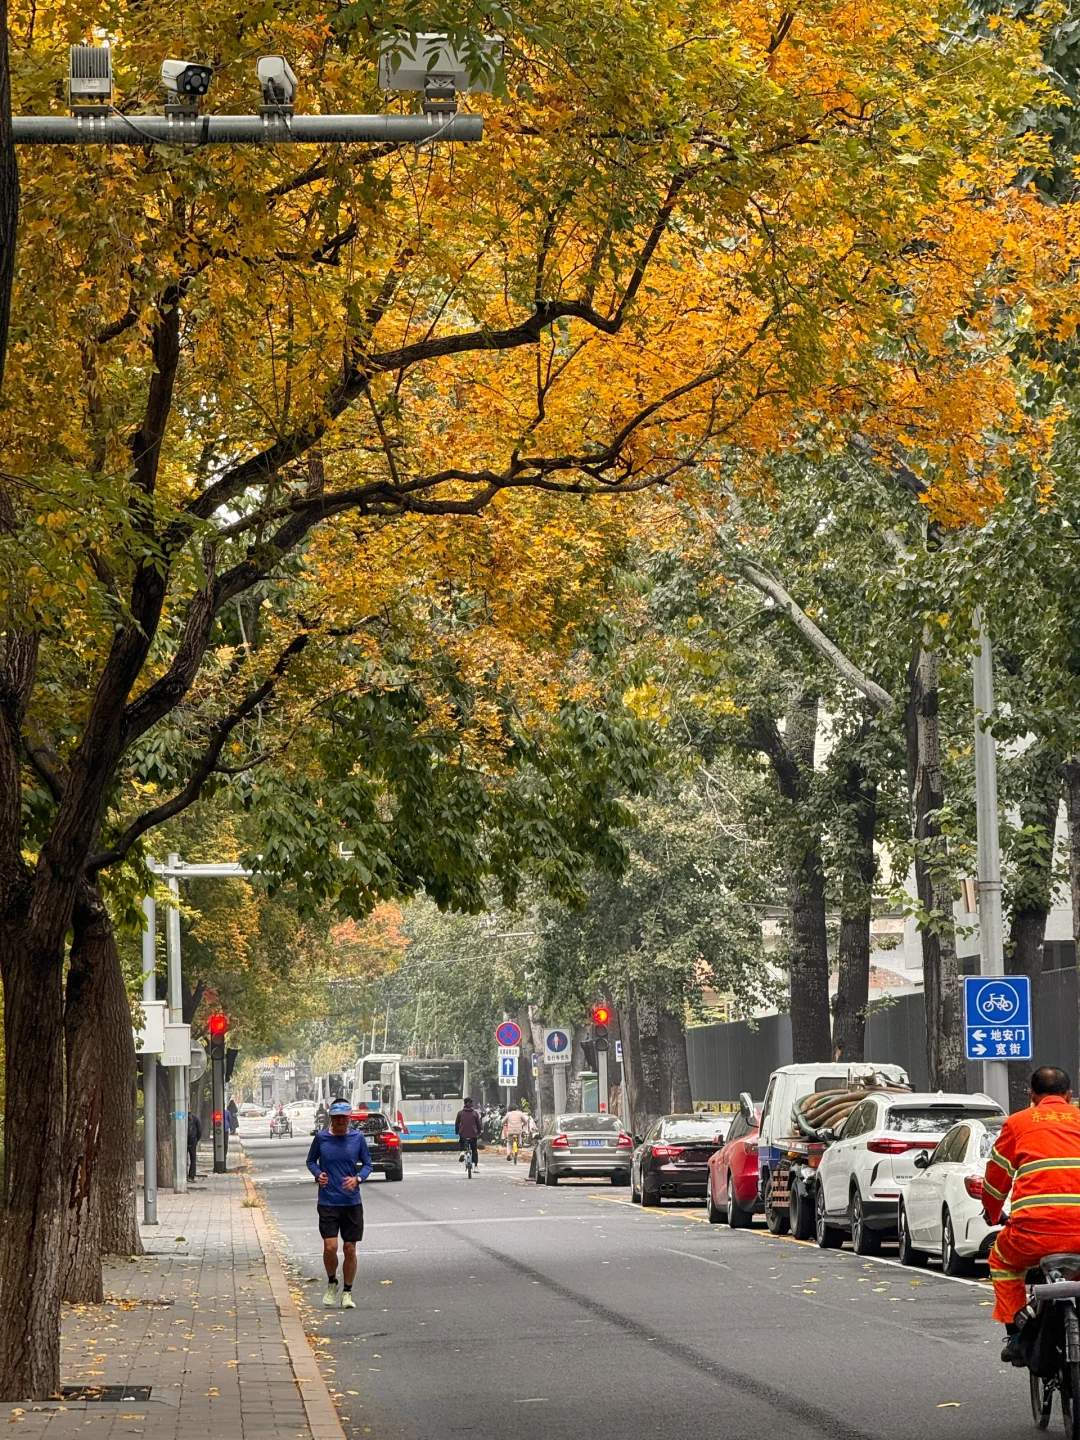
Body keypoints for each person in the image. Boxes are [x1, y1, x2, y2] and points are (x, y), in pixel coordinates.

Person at [983, 1065, 1080, 1364]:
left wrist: (992, 1213)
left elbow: (996, 1178)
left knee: (1001, 1261)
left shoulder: (1018, 1123)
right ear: (1069, 1095)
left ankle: (1015, 1334)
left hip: (1033, 1234)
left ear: (1032, 1096)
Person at [306, 1098, 373, 1310]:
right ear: (331, 1118)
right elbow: (310, 1161)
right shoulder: (322, 1138)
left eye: (344, 1117)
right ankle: (332, 1280)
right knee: (330, 1246)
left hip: (352, 1202)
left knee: (350, 1248)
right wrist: (318, 1174)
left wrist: (358, 1179)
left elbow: (368, 1164)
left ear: (349, 1118)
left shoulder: (357, 1138)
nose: (341, 1121)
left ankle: (347, 1291)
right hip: (328, 1200)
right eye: (337, 1118)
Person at [455, 1097, 482, 1168]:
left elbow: (457, 1124)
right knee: (474, 1150)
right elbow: (478, 1124)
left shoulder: (460, 1113)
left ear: (464, 1104)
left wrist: (457, 1131)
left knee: (462, 1143)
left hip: (463, 1134)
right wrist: (479, 1132)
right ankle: (475, 1166)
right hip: (473, 1134)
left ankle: (462, 1152)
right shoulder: (475, 1113)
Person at [187, 1110, 202, 1181]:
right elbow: (199, 1130)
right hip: (192, 1141)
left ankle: (183, 1175)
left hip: (183, 1142)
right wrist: (196, 1139)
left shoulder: (181, 1118)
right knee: (193, 1159)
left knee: (182, 1159)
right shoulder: (195, 1118)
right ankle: (191, 1176)